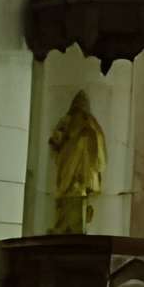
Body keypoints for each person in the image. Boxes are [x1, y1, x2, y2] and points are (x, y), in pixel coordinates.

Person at [47, 92, 107, 234]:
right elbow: (55, 144)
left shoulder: (88, 132)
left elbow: (95, 157)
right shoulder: (68, 127)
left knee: (74, 197)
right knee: (67, 195)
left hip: (79, 182)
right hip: (68, 179)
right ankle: (63, 224)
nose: (76, 119)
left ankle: (68, 225)